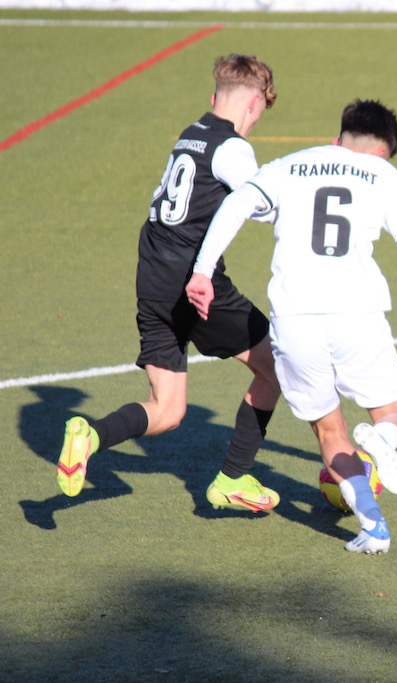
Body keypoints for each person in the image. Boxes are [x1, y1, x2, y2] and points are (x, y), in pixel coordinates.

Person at [185, 99, 397, 555]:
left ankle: (374, 527)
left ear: (337, 139)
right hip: (356, 316)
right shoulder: (383, 176)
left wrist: (202, 271)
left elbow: (235, 205)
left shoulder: (289, 165)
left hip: (294, 321)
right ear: (382, 152)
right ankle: (382, 439)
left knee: (330, 432)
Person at [56, 54, 283, 513]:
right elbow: (263, 206)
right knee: (276, 365)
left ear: (214, 97)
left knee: (168, 409)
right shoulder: (232, 148)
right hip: (193, 285)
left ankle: (90, 436)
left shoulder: (190, 135)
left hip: (153, 279)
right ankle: (233, 479)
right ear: (254, 103)